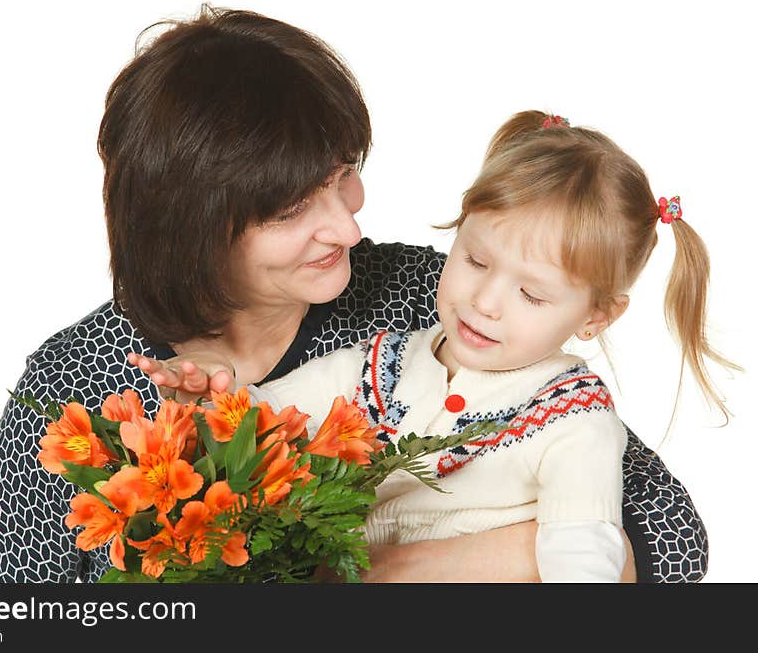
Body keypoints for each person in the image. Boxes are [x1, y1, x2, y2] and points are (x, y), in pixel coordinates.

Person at [0, 5, 702, 583]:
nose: (348, 225)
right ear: (194, 231)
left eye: (342, 173)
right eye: (292, 210)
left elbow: (667, 536)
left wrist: (372, 577)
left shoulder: (433, 302)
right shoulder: (73, 389)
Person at [137, 110, 738, 582]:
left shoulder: (573, 419)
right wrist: (212, 388)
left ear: (597, 317)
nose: (486, 302)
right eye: (474, 260)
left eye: (532, 295)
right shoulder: (385, 361)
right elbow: (266, 412)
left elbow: (583, 549)